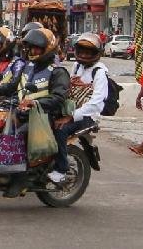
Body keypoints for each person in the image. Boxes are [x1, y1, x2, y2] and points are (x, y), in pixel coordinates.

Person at [52, 32, 109, 183]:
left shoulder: (100, 72)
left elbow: (97, 103)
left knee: (60, 129)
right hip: (71, 109)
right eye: (81, 51)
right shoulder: (77, 66)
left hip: (86, 116)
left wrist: (70, 117)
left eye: (88, 52)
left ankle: (61, 169)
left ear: (96, 54)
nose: (84, 55)